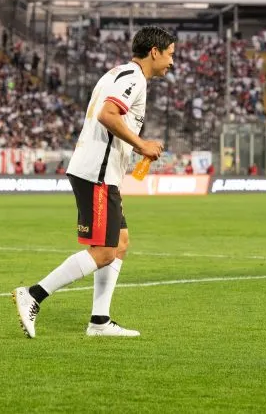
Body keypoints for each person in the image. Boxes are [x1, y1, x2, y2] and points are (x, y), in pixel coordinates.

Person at [13, 26, 175, 339]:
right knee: (104, 252)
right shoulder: (133, 78)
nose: (172, 62)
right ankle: (33, 294)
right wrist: (141, 144)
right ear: (154, 52)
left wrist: (135, 149)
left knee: (120, 242)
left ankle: (99, 321)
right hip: (97, 173)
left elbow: (109, 119)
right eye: (169, 54)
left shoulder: (118, 74)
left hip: (100, 171)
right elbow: (107, 115)